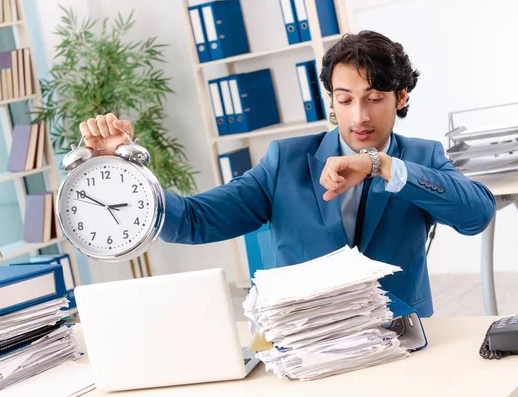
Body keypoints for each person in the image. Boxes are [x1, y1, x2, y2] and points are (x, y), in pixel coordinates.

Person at [77, 30, 496, 317]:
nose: (359, 116)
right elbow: (193, 221)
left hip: (401, 336)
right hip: (305, 341)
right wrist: (121, 168)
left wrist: (382, 165)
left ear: (401, 96)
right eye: (345, 99)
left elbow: (476, 214)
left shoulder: (420, 158)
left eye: (374, 98)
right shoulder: (286, 160)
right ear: (331, 98)